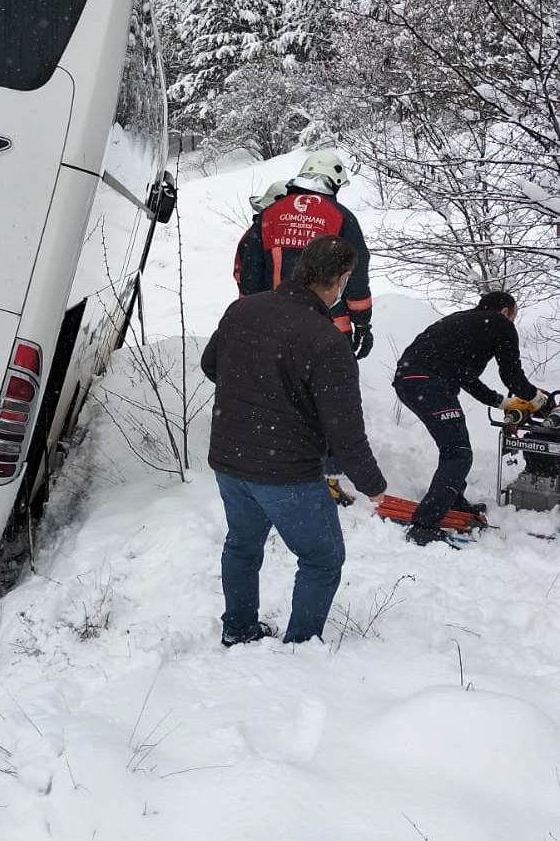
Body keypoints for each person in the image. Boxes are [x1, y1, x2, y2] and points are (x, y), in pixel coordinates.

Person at [201, 235, 387, 646]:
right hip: (285, 473)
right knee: (322, 558)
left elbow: (210, 364)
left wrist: (257, 397)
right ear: (340, 280)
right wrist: (373, 485)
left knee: (242, 547)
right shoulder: (327, 341)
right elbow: (346, 431)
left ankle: (239, 628)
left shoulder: (242, 309)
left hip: (229, 460)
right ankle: (301, 648)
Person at [393, 291, 545, 546]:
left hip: (411, 380)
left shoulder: (462, 322)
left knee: (455, 447)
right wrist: (540, 401)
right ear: (506, 311)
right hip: (428, 383)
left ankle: (451, 497)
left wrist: (504, 402)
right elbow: (512, 376)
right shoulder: (499, 324)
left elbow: (466, 377)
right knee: (458, 452)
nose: (512, 323)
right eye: (513, 316)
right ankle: (424, 525)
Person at [233, 149, 374, 360]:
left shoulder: (270, 215)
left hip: (274, 328)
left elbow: (250, 272)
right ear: (333, 182)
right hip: (329, 329)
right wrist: (362, 323)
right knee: (329, 389)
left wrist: (248, 317)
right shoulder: (341, 217)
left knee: (277, 389)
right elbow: (356, 275)